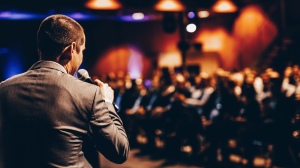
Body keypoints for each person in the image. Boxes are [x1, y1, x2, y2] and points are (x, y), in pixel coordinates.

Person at [0, 14, 129, 168]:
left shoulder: (4, 89)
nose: (81, 58)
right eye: (82, 51)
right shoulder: (88, 94)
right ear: (71, 50)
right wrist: (107, 102)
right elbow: (120, 151)